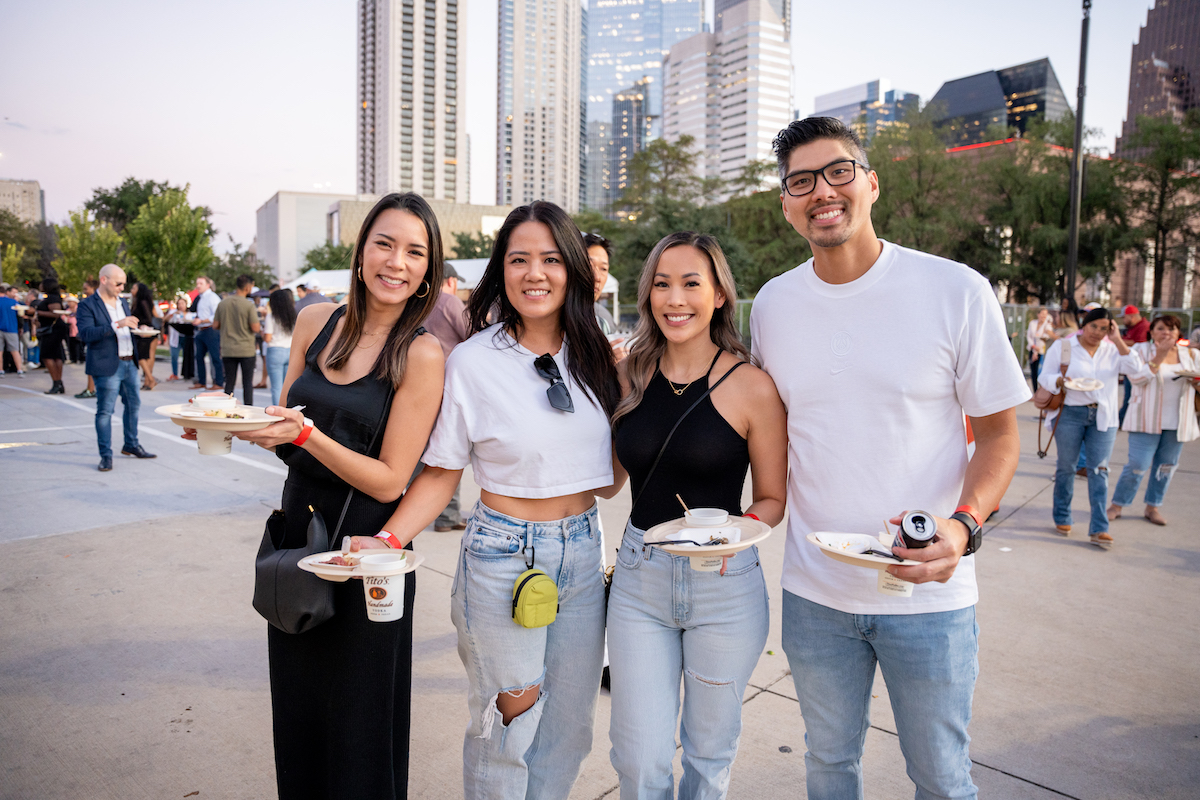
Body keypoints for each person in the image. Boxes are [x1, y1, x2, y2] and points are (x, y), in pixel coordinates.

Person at [751, 117, 1029, 799]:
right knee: (828, 765)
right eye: (801, 181)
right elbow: (770, 434)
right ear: (786, 203)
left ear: (870, 183)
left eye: (839, 171)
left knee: (941, 777)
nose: (822, 191)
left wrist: (962, 528)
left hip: (928, 593)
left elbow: (998, 434)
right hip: (814, 595)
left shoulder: (956, 289)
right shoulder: (773, 305)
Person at [347, 201, 621, 800]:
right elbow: (441, 473)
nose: (534, 273)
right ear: (501, 270)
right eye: (519, 259)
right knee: (510, 730)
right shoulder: (472, 361)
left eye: (551, 259)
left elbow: (608, 482)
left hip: (582, 552)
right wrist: (391, 539)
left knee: (570, 729)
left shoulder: (600, 356)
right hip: (503, 557)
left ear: (574, 269)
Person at [235, 193, 446, 799]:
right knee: (298, 713)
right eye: (384, 243)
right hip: (297, 536)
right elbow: (287, 438)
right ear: (360, 252)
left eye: (414, 251)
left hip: (367, 553)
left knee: (360, 724)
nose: (396, 262)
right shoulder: (313, 321)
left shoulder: (421, 352)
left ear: (427, 270)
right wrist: (238, 430)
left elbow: (389, 478)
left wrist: (306, 432)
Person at [607, 232, 787, 798]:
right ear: (647, 295)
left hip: (725, 586)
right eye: (662, 284)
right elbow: (609, 481)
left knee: (708, 759)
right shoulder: (628, 374)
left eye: (691, 283)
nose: (675, 298)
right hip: (639, 582)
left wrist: (729, 533)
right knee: (638, 759)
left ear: (718, 297)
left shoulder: (753, 386)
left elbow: (772, 499)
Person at [1039, 307, 1141, 547]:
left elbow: (1136, 371)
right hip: (1070, 414)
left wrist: (1117, 341)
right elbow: (1045, 377)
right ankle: (1063, 516)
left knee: (1099, 470)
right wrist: (1060, 381)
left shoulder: (1113, 349)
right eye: (1094, 326)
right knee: (1067, 467)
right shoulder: (1065, 346)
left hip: (1103, 415)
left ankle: (1099, 527)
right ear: (1085, 324)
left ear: (1111, 329)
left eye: (1104, 328)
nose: (1097, 332)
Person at [1108, 314, 1200, 526]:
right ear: (1151, 331)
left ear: (1179, 333)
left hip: (1177, 422)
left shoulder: (1191, 355)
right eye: (1160, 328)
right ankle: (1118, 504)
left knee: (1166, 466)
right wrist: (1159, 357)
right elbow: (1137, 380)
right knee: (1137, 464)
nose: (1166, 332)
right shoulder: (1141, 351)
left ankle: (1153, 506)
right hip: (1145, 420)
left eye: (1171, 329)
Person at [76, 264, 157, 471]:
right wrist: (117, 325)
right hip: (106, 364)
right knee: (105, 411)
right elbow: (85, 334)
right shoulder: (87, 305)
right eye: (118, 283)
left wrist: (139, 329)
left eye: (124, 284)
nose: (122, 288)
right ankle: (106, 455)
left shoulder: (122, 302)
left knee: (133, 405)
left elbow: (126, 328)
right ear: (104, 280)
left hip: (129, 362)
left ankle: (131, 444)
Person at [418, 262, 469, 533]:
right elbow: (474, 335)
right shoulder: (450, 302)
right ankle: (447, 517)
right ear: (449, 281)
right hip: (446, 386)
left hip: (415, 386)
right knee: (448, 450)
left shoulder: (415, 302)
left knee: (419, 451)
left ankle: (415, 508)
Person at [213, 274, 262, 405]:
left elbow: (215, 325)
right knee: (247, 383)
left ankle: (225, 408)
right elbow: (255, 328)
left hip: (228, 349)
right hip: (246, 349)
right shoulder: (249, 305)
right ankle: (248, 409)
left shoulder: (223, 303)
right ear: (247, 287)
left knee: (229, 382)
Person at [583, 232, 628, 361]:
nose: (597, 277)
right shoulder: (544, 319)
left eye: (603, 269)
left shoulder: (602, 319)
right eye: (588, 265)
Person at [34, 278, 69, 394]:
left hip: (53, 330)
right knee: (56, 355)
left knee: (47, 355)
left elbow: (56, 314)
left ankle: (56, 382)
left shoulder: (52, 298)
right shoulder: (53, 297)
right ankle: (58, 383)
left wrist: (39, 313)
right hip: (54, 329)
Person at [263, 288, 296, 406]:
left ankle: (278, 415)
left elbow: (267, 338)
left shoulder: (271, 317)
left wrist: (262, 334)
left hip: (275, 351)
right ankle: (288, 411)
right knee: (288, 387)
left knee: (277, 388)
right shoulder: (294, 315)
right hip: (290, 351)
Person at [1118, 304, 1151, 427]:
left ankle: (1122, 420)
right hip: (1131, 366)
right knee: (1129, 395)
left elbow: (1138, 344)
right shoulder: (1133, 327)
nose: (1123, 320)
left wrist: (1118, 341)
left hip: (1139, 367)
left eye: (1124, 317)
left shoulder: (1144, 327)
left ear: (1131, 317)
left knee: (1131, 396)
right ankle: (1122, 420)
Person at [191, 275, 224, 390]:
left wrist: (202, 320)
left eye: (200, 283)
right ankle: (201, 381)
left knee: (215, 357)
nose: (198, 286)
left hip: (211, 330)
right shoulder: (201, 298)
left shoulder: (212, 297)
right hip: (201, 329)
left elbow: (216, 316)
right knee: (198, 356)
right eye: (197, 283)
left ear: (207, 285)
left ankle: (219, 382)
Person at [130, 282, 159, 390]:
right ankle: (148, 382)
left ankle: (150, 379)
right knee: (148, 357)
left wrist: (141, 325)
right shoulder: (142, 301)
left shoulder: (142, 302)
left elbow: (148, 318)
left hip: (145, 332)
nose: (131, 290)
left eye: (133, 288)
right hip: (146, 332)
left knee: (142, 356)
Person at [75, 280, 99, 397]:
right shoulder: (87, 303)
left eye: (86, 289)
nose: (85, 292)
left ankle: (91, 388)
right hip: (90, 335)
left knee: (92, 362)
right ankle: (90, 387)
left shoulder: (93, 303)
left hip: (96, 337)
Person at [0, 284, 25, 377]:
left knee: (0, 351)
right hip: (11, 328)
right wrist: (21, 326)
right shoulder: (13, 302)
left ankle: (1, 370)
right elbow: (20, 314)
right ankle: (19, 370)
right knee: (15, 350)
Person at [1026, 306, 1054, 385]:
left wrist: (1038, 348)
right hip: (1033, 349)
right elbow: (1029, 336)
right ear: (1038, 314)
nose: (1044, 316)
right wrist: (1034, 347)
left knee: (1041, 371)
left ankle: (1041, 390)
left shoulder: (1047, 325)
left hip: (1042, 351)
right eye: (1042, 314)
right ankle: (1035, 391)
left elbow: (1047, 337)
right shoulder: (1033, 323)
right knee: (1033, 372)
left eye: (1045, 314)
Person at [164, 296, 190, 381]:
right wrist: (174, 314)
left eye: (182, 303)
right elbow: (165, 319)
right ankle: (175, 374)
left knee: (186, 356)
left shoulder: (189, 313)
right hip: (175, 338)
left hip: (185, 337)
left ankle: (187, 373)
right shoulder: (173, 312)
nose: (181, 305)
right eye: (179, 304)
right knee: (174, 356)